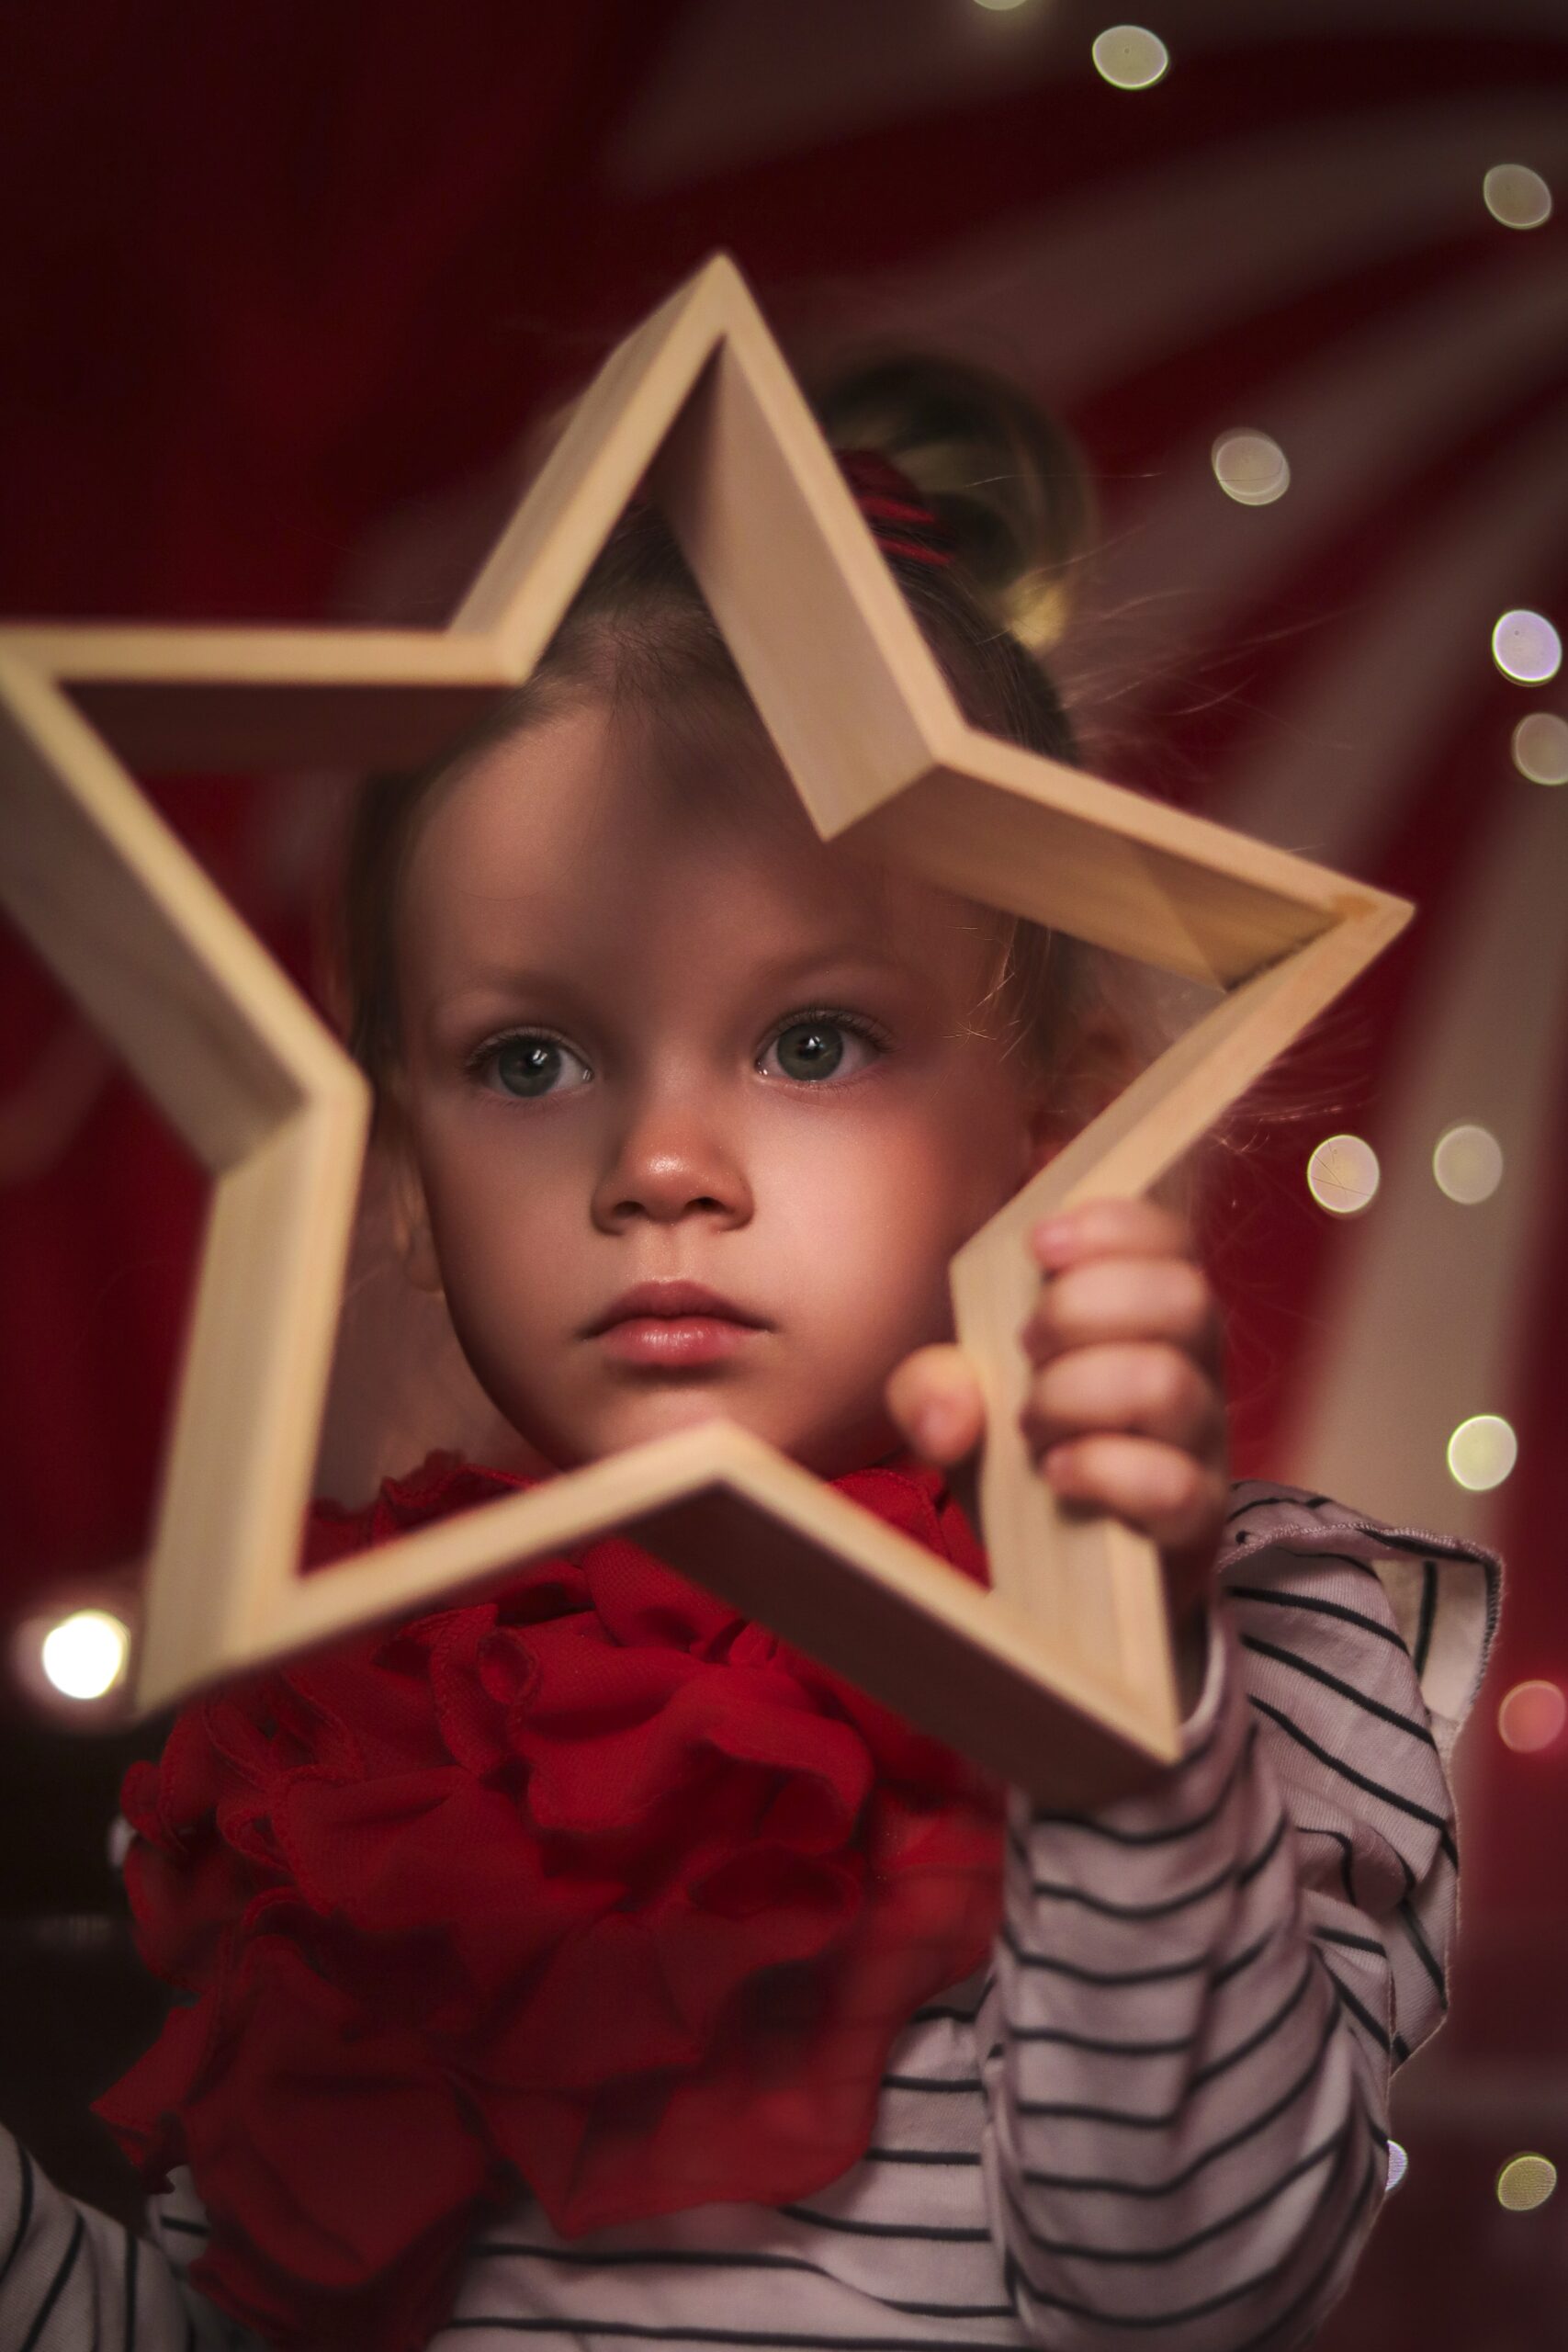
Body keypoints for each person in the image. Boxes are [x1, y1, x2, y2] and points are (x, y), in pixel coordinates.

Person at [0, 348, 1501, 2352]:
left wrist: (1117, 1701)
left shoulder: (1246, 1641)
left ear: (1058, 1107)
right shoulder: (326, 1726)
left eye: (811, 1039)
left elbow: (1185, 2282)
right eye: (528, 1057)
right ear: (400, 1160)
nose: (661, 1164)